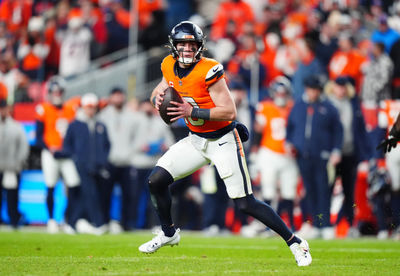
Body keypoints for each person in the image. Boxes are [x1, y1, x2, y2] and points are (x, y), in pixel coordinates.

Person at [138, 21, 311, 267]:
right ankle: (168, 232)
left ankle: (295, 242)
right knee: (156, 180)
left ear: (199, 47)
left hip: (222, 141)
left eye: (191, 44)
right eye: (182, 44)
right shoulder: (168, 64)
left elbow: (229, 111)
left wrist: (192, 110)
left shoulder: (209, 69)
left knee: (245, 203)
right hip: (196, 140)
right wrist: (157, 99)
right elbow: (162, 88)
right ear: (174, 47)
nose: (187, 49)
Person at [286, 75, 343, 240]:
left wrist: (336, 150)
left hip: (323, 155)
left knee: (323, 190)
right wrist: (289, 143)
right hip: (303, 155)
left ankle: (325, 224)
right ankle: (315, 224)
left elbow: (338, 131)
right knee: (309, 191)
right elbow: (290, 128)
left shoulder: (329, 108)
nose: (313, 92)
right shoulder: (298, 106)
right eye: (311, 89)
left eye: (316, 89)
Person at [244, 76, 298, 236]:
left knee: (289, 192)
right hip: (268, 153)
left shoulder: (293, 107)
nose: (281, 96)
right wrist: (254, 152)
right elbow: (258, 130)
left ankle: (291, 227)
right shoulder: (265, 107)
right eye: (278, 93)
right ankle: (265, 226)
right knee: (268, 190)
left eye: (283, 93)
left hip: (288, 155)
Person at [35, 76, 80, 233]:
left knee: (74, 185)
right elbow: (38, 136)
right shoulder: (43, 109)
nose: (56, 94)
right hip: (50, 153)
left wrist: (69, 149)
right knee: (50, 186)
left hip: (66, 154)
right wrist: (49, 149)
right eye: (53, 91)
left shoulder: (70, 108)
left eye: (59, 91)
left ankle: (69, 219)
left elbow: (75, 134)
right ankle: (52, 220)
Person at [62, 93, 110, 234]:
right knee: (89, 194)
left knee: (86, 195)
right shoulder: (75, 124)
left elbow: (106, 145)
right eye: (88, 107)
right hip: (80, 165)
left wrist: (102, 161)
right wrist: (76, 158)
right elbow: (67, 145)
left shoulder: (100, 124)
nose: (90, 110)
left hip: (96, 166)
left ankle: (71, 223)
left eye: (93, 107)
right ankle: (98, 223)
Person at [98, 87, 140, 232]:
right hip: (110, 161)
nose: (118, 99)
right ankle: (104, 222)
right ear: (110, 98)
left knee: (128, 195)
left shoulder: (132, 115)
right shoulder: (103, 115)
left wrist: (132, 153)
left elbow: (137, 137)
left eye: (120, 96)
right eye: (115, 96)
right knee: (105, 194)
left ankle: (126, 223)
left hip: (127, 161)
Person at [0, 99, 29, 228]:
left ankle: (14, 220)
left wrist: (17, 163)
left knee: (12, 196)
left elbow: (23, 147)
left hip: (11, 168)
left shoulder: (16, 126)